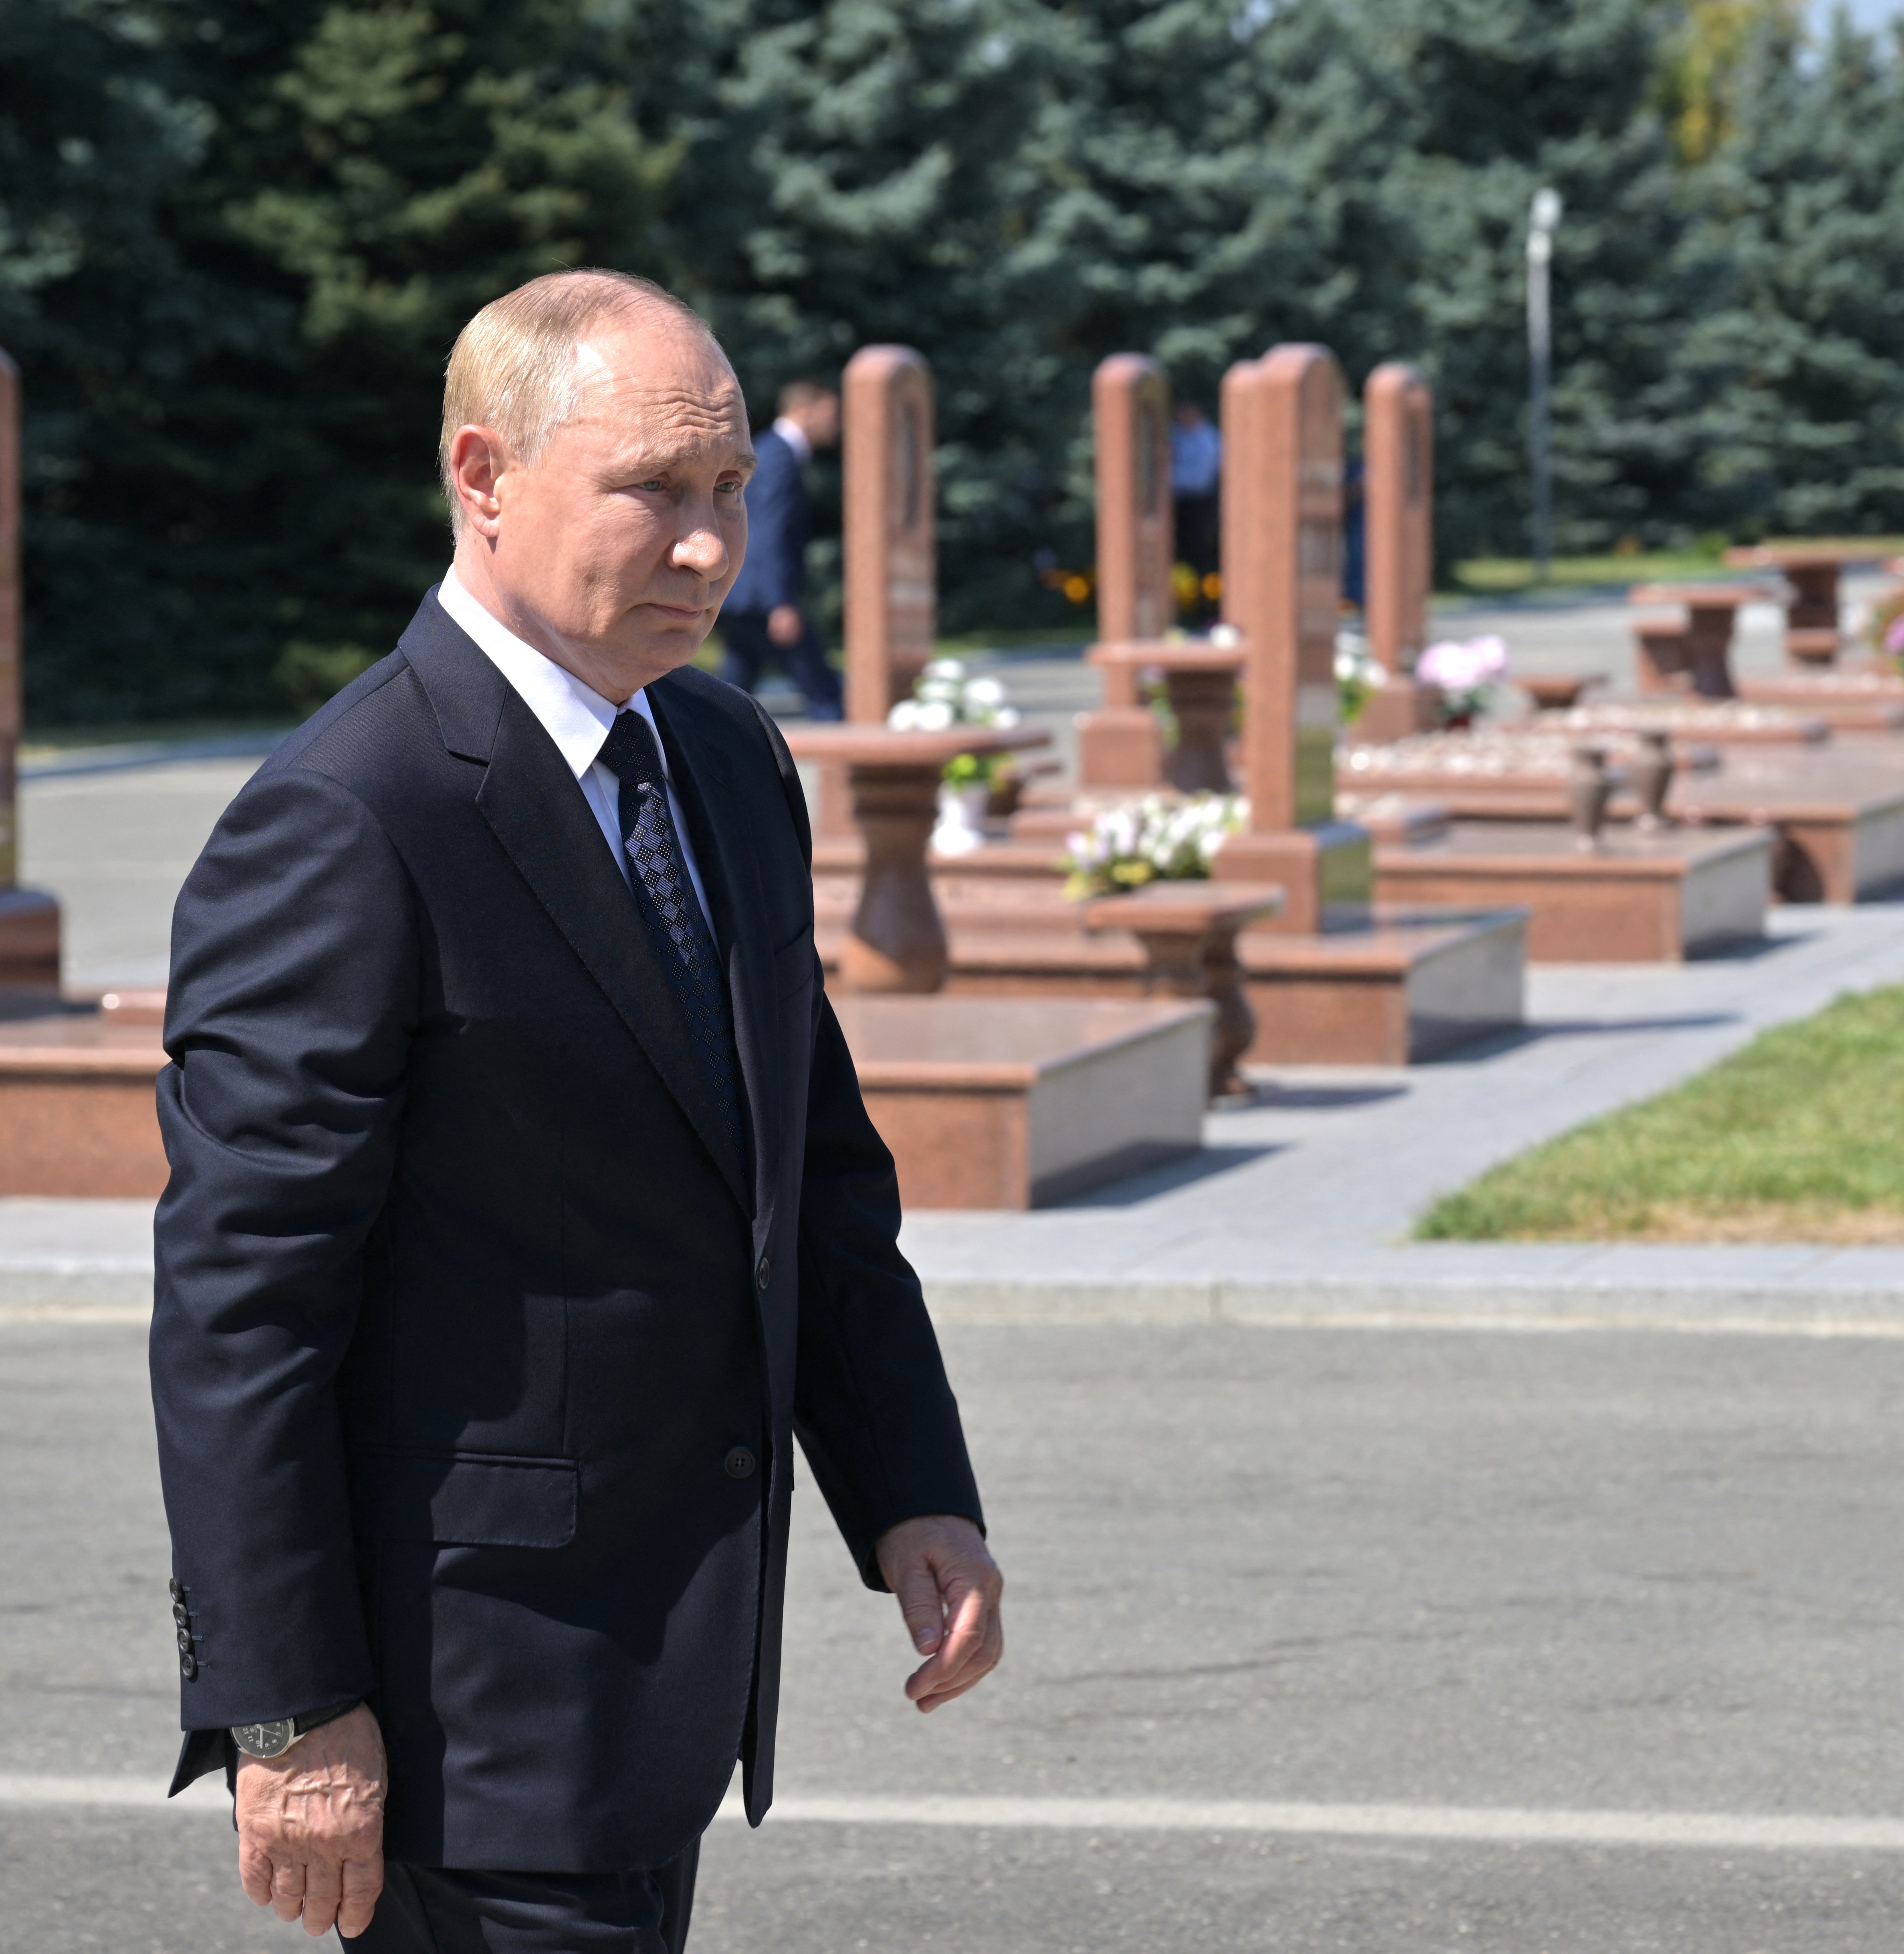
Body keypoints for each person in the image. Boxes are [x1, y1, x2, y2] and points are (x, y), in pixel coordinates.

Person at [149, 268, 1003, 1952]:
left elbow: (805, 1176)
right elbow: (242, 1313)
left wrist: (910, 1482)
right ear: (481, 475)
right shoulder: (349, 816)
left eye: (729, 492)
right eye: (651, 494)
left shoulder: (723, 759)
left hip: (657, 1694)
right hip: (470, 1710)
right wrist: (285, 1709)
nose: (708, 550)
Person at [714, 377, 845, 719]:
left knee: (731, 696)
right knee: (825, 691)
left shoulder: (772, 451)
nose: (838, 423)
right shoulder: (780, 457)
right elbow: (768, 532)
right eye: (832, 413)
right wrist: (780, 603)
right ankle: (844, 769)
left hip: (746, 594)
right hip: (760, 597)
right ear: (805, 409)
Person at [1169, 397, 1222, 609]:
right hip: (1177, 503)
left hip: (1199, 504)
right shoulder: (1175, 435)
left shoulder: (1208, 439)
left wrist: (1166, 479)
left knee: (1199, 557)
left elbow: (1199, 479)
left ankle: (1203, 608)